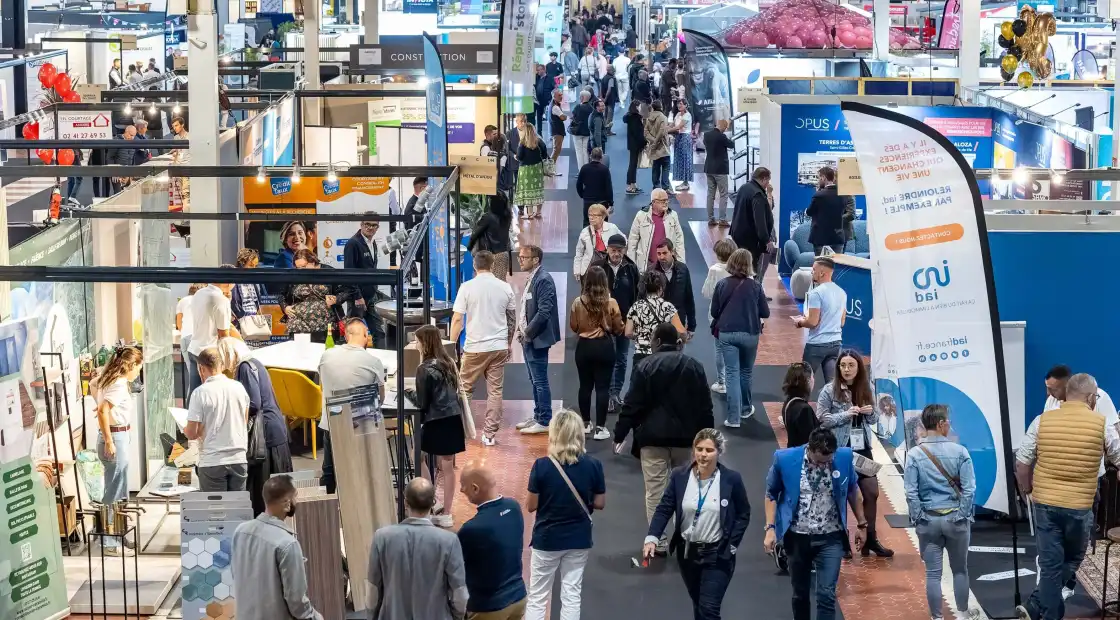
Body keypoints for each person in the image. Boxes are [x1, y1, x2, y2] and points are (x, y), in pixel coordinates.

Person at [1016, 373, 1120, 620]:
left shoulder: (1042, 420)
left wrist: (1028, 491)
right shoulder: (1101, 423)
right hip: (1078, 506)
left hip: (1044, 503)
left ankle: (1038, 606)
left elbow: (1022, 462)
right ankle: (1042, 608)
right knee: (1072, 559)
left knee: (1051, 563)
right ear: (1091, 397)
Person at [616, 323, 713, 553]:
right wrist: (709, 440)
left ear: (657, 342)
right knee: (687, 488)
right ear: (677, 342)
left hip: (652, 440)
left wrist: (620, 432)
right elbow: (704, 407)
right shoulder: (694, 366)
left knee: (655, 490)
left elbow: (632, 404)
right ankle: (687, 535)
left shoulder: (644, 366)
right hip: (686, 440)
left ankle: (657, 539)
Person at [642, 429, 750, 619]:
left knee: (709, 608)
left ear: (719, 452)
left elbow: (743, 513)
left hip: (717, 555)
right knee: (699, 606)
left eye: (709, 450)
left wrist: (732, 545)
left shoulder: (731, 479)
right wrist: (652, 537)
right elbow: (664, 508)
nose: (703, 455)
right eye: (699, 449)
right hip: (688, 554)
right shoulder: (679, 476)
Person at [765, 428, 866, 620]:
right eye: (819, 461)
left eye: (828, 461)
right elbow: (771, 494)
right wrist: (770, 528)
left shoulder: (843, 458)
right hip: (797, 538)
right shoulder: (784, 459)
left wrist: (862, 525)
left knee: (826, 594)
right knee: (800, 594)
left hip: (831, 538)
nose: (823, 466)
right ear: (809, 449)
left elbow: (853, 488)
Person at [525, 409, 606, 620]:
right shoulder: (593, 465)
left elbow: (531, 506)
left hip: (547, 538)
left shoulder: (542, 466)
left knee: (538, 596)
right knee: (571, 594)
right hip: (579, 538)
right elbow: (600, 502)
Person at [904, 404, 981, 620]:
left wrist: (919, 517)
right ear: (940, 424)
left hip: (928, 520)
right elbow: (969, 489)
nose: (950, 425)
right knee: (960, 570)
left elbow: (910, 492)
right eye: (948, 421)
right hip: (955, 520)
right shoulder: (960, 452)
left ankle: (937, 618)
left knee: (933, 574)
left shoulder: (914, 454)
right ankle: (963, 613)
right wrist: (962, 514)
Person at [816, 350, 892, 558]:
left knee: (871, 492)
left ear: (858, 368)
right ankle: (841, 540)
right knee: (840, 495)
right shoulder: (828, 391)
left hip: (862, 447)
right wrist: (845, 414)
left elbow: (875, 418)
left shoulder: (867, 388)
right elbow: (822, 419)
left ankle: (870, 538)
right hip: (839, 449)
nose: (847, 369)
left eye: (851, 365)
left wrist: (870, 413)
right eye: (843, 365)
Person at [367, 478, 467, 620]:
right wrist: (456, 616)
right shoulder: (449, 541)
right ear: (433, 503)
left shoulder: (382, 538)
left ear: (405, 502)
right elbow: (459, 593)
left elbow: (373, 589)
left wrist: (372, 615)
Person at [217, 338, 292, 516]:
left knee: (264, 488)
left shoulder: (244, 367)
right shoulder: (255, 363)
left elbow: (254, 403)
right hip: (275, 428)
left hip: (265, 434)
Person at [232, 475, 322, 620]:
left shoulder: (240, 531)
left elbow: (236, 576)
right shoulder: (287, 544)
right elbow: (297, 603)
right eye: (295, 497)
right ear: (287, 504)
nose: (296, 501)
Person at [451, 250, 515, 447]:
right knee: (495, 391)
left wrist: (451, 346)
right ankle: (489, 435)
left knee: (465, 389)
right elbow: (511, 319)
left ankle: (461, 431)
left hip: (475, 348)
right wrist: (508, 343)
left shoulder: (467, 287)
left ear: (474, 265)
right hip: (498, 347)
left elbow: (457, 319)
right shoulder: (505, 288)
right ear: (493, 264)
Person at [318, 318, 386, 495]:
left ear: (346, 335)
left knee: (329, 470)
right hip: (359, 425)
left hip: (331, 422)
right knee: (361, 471)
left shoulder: (327, 355)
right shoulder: (373, 361)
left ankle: (328, 509)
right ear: (365, 336)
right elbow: (381, 398)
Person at [412, 324, 467, 529]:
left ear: (424, 343)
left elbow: (422, 403)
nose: (416, 344)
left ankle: (429, 499)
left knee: (416, 456)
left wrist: (409, 394)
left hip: (436, 421)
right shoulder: (449, 362)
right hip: (452, 419)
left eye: (417, 341)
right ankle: (447, 511)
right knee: (448, 466)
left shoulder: (423, 368)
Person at [92, 346, 143, 556]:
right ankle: (109, 541)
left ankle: (119, 534)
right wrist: (109, 441)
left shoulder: (108, 380)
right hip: (115, 436)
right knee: (114, 491)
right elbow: (103, 410)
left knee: (121, 490)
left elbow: (94, 384)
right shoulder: (119, 385)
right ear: (130, 366)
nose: (139, 372)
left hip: (120, 435)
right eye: (138, 368)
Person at [457, 466, 527, 619]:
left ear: (475, 488)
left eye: (463, 485)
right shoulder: (514, 507)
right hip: (519, 597)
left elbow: (455, 568)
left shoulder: (471, 528)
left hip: (489, 607)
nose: (461, 490)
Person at [711, 248, 769, 428]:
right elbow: (765, 312)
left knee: (732, 374)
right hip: (750, 333)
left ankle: (733, 418)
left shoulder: (722, 284)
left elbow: (714, 312)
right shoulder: (756, 286)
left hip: (727, 334)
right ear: (749, 264)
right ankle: (746, 409)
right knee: (746, 372)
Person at [184, 347, 251, 492]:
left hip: (212, 461)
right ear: (221, 366)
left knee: (215, 511)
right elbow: (244, 421)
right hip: (239, 459)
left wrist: (186, 428)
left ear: (201, 368)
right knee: (237, 509)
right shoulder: (239, 388)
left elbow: (191, 433)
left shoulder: (200, 393)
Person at [570, 265, 624, 440]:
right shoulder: (611, 302)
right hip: (604, 347)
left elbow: (574, 326)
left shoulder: (578, 302)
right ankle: (600, 428)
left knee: (585, 386)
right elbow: (618, 328)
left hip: (584, 347)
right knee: (603, 388)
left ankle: (586, 423)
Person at [588, 234, 641, 410]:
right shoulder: (597, 267)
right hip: (603, 323)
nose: (616, 253)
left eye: (619, 250)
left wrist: (633, 321)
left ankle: (616, 393)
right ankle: (609, 394)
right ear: (607, 249)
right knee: (607, 359)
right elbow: (586, 294)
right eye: (613, 250)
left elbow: (636, 296)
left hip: (625, 322)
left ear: (624, 250)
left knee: (622, 358)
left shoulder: (631, 268)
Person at [515, 245, 561, 436]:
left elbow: (544, 312)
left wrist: (527, 332)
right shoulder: (533, 277)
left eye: (524, 257)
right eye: (520, 257)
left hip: (536, 339)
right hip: (528, 338)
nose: (520, 261)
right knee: (534, 380)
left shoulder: (543, 279)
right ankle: (538, 414)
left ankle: (544, 419)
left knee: (540, 381)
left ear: (535, 259)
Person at [281, 250, 359, 343]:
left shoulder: (328, 272)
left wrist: (336, 299)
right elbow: (281, 294)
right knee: (300, 354)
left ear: (313, 262)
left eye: (304, 266)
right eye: (298, 268)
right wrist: (285, 307)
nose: (301, 270)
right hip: (298, 325)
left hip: (324, 324)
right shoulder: (294, 274)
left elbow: (348, 290)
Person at [794, 256, 846, 383]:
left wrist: (800, 322)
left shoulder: (816, 293)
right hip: (836, 343)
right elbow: (842, 322)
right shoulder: (842, 293)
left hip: (817, 344)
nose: (812, 272)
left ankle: (800, 402)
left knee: (804, 382)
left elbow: (812, 322)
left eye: (814, 269)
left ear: (822, 272)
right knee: (832, 385)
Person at [188, 276, 237, 402]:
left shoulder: (199, 293)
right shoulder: (220, 299)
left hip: (194, 348)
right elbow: (224, 333)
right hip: (210, 354)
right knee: (211, 397)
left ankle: (191, 420)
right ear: (228, 283)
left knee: (195, 393)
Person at [625, 271, 685, 367]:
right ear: (661, 288)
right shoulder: (668, 307)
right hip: (662, 357)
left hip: (640, 356)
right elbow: (681, 332)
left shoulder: (636, 306)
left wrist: (641, 335)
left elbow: (628, 332)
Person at [342, 218, 386, 346]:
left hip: (371, 294)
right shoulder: (353, 243)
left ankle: (378, 361)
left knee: (379, 333)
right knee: (353, 333)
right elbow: (349, 272)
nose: (370, 228)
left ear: (378, 227)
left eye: (374, 225)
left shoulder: (372, 243)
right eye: (367, 224)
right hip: (358, 297)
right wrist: (357, 296)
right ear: (361, 225)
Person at [701, 238, 736, 395]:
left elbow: (707, 293)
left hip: (717, 317)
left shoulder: (714, 270)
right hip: (736, 317)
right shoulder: (739, 269)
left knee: (719, 349)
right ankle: (733, 380)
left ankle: (722, 382)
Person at [730, 167, 775, 278]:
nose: (767, 184)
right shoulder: (758, 195)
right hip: (751, 240)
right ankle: (754, 290)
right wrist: (766, 240)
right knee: (754, 268)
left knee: (740, 266)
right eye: (767, 181)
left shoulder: (744, 188)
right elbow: (760, 221)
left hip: (738, 233)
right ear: (763, 179)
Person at [628, 188, 686, 273]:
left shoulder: (673, 215)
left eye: (667, 200)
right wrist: (631, 264)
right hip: (647, 263)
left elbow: (679, 239)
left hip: (667, 264)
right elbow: (632, 240)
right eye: (663, 201)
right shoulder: (641, 216)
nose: (666, 203)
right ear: (654, 202)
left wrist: (681, 263)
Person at [651, 238, 695, 339]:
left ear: (672, 252)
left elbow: (689, 298)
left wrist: (692, 326)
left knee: (678, 354)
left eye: (665, 253)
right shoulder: (651, 272)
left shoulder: (683, 270)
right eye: (659, 254)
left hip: (679, 322)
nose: (661, 257)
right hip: (658, 324)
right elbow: (643, 298)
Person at [467, 193, 514, 280]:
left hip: (490, 256)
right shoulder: (507, 216)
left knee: (486, 283)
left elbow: (476, 233)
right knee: (500, 281)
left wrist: (469, 246)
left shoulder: (488, 217)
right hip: (503, 254)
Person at [573, 203, 621, 280]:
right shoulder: (585, 232)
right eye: (590, 215)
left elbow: (623, 241)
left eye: (595, 216)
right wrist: (577, 270)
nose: (591, 218)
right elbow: (579, 252)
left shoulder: (612, 228)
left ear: (603, 217)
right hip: (589, 269)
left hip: (608, 268)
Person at [806, 166, 847, 255]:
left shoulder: (819, 195)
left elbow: (809, 212)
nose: (818, 181)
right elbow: (843, 212)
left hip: (821, 239)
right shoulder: (843, 195)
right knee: (836, 266)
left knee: (822, 266)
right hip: (838, 238)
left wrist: (818, 192)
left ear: (823, 177)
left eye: (818, 178)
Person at [702, 119, 735, 227]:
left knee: (710, 194)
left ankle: (711, 218)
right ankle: (722, 219)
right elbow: (731, 145)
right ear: (724, 128)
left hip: (709, 168)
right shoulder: (722, 137)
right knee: (723, 194)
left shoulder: (706, 135)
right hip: (720, 169)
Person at [515, 124, 548, 219]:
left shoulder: (522, 143)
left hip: (525, 170)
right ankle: (538, 212)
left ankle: (529, 213)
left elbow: (519, 156)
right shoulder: (540, 142)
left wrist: (515, 157)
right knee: (538, 190)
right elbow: (545, 155)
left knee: (527, 190)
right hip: (537, 169)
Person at [781, 362, 818, 448]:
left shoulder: (789, 401)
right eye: (812, 376)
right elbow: (810, 440)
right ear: (808, 380)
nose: (814, 380)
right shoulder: (804, 409)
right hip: (802, 456)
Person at [231, 248, 268, 326]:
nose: (254, 269)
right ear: (242, 264)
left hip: (255, 318)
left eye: (256, 266)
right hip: (240, 319)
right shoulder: (234, 280)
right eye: (251, 265)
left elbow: (260, 299)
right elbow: (234, 302)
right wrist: (241, 317)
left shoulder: (256, 280)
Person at [576, 149, 613, 228]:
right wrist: (611, 203)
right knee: (603, 225)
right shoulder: (605, 170)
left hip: (588, 200)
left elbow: (578, 184)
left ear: (590, 156)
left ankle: (587, 239)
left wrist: (583, 195)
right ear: (601, 157)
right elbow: (609, 187)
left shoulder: (584, 168)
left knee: (587, 223)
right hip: (602, 202)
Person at [644, 101, 672, 192]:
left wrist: (653, 141)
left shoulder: (649, 118)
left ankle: (656, 186)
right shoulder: (663, 117)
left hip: (653, 148)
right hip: (663, 147)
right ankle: (665, 187)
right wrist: (656, 141)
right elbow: (662, 132)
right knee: (666, 166)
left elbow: (646, 132)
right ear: (661, 106)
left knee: (655, 167)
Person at [109, 125, 145, 193]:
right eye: (131, 135)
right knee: (118, 194)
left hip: (129, 172)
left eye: (133, 135)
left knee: (129, 193)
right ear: (126, 132)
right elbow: (110, 157)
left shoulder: (135, 141)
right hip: (118, 172)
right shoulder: (116, 141)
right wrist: (114, 172)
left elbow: (135, 156)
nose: (132, 137)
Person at [668, 99, 694, 192]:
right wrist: (667, 127)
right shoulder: (678, 114)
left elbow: (679, 126)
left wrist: (666, 131)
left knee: (685, 160)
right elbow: (673, 124)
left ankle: (686, 182)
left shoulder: (687, 115)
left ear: (686, 105)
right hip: (678, 138)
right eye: (678, 104)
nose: (679, 105)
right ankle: (683, 181)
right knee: (679, 159)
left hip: (685, 138)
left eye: (681, 104)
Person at [623, 101, 646, 195]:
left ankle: (633, 184)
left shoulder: (629, 117)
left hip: (632, 144)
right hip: (636, 144)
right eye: (640, 106)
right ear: (636, 107)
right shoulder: (635, 118)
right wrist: (644, 142)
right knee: (633, 165)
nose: (641, 108)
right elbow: (638, 133)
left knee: (633, 164)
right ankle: (629, 185)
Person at [570, 89, 594, 170]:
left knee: (579, 151)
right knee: (585, 151)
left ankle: (581, 170)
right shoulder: (591, 108)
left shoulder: (578, 107)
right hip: (587, 132)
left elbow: (572, 116)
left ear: (582, 97)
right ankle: (586, 169)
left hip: (577, 132)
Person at [548, 90, 568, 171]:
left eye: (561, 95)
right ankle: (550, 168)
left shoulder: (553, 105)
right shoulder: (555, 107)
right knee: (556, 150)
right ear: (554, 96)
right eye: (559, 95)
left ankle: (551, 167)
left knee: (556, 149)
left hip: (555, 130)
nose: (561, 96)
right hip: (557, 131)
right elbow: (563, 117)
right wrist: (566, 116)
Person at [534, 64, 552, 137]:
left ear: (544, 70)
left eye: (539, 70)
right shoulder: (536, 78)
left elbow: (555, 87)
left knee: (547, 117)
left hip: (546, 100)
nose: (538, 71)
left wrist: (550, 99)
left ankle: (548, 133)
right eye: (537, 70)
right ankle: (538, 132)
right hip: (537, 100)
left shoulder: (549, 78)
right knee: (538, 116)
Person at [602, 66, 619, 131]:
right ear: (610, 71)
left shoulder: (604, 78)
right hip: (610, 99)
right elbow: (609, 89)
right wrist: (606, 98)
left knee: (605, 115)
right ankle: (608, 130)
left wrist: (603, 98)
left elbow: (601, 89)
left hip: (605, 98)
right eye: (613, 71)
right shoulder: (611, 79)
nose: (614, 72)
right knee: (610, 115)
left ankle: (604, 128)